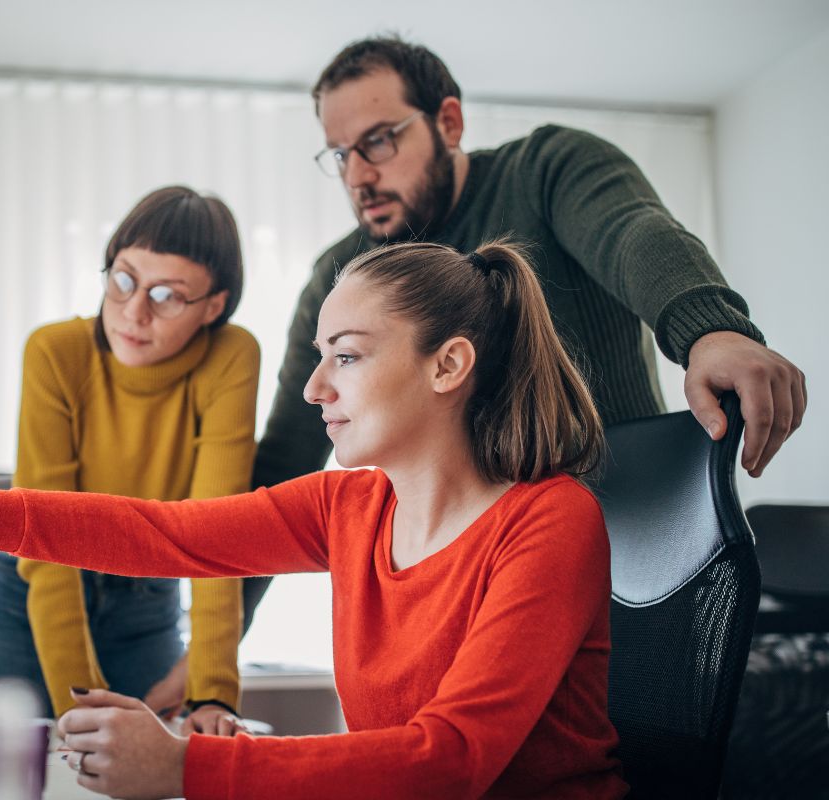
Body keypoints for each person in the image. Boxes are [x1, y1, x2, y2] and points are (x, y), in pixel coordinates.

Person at [0, 239, 630, 799]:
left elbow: (450, 760)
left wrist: (188, 764)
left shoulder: (550, 522)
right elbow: (165, 534)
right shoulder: (351, 505)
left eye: (348, 358)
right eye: (318, 358)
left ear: (449, 365)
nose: (314, 389)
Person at [239, 35, 808, 627]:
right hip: (458, 586)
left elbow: (632, 233)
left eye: (378, 142)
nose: (357, 175)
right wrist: (215, 658)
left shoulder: (546, 169)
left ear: (448, 122)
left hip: (627, 551)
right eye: (339, 155)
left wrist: (711, 330)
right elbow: (285, 455)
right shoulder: (341, 276)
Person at [0, 185, 261, 737]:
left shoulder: (230, 358)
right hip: (30, 584)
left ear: (213, 306)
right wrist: (81, 706)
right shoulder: (55, 353)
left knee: (144, 774)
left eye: (168, 295)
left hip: (144, 596)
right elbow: (45, 539)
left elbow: (219, 534)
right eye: (124, 279)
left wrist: (213, 692)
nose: (133, 311)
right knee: (29, 769)